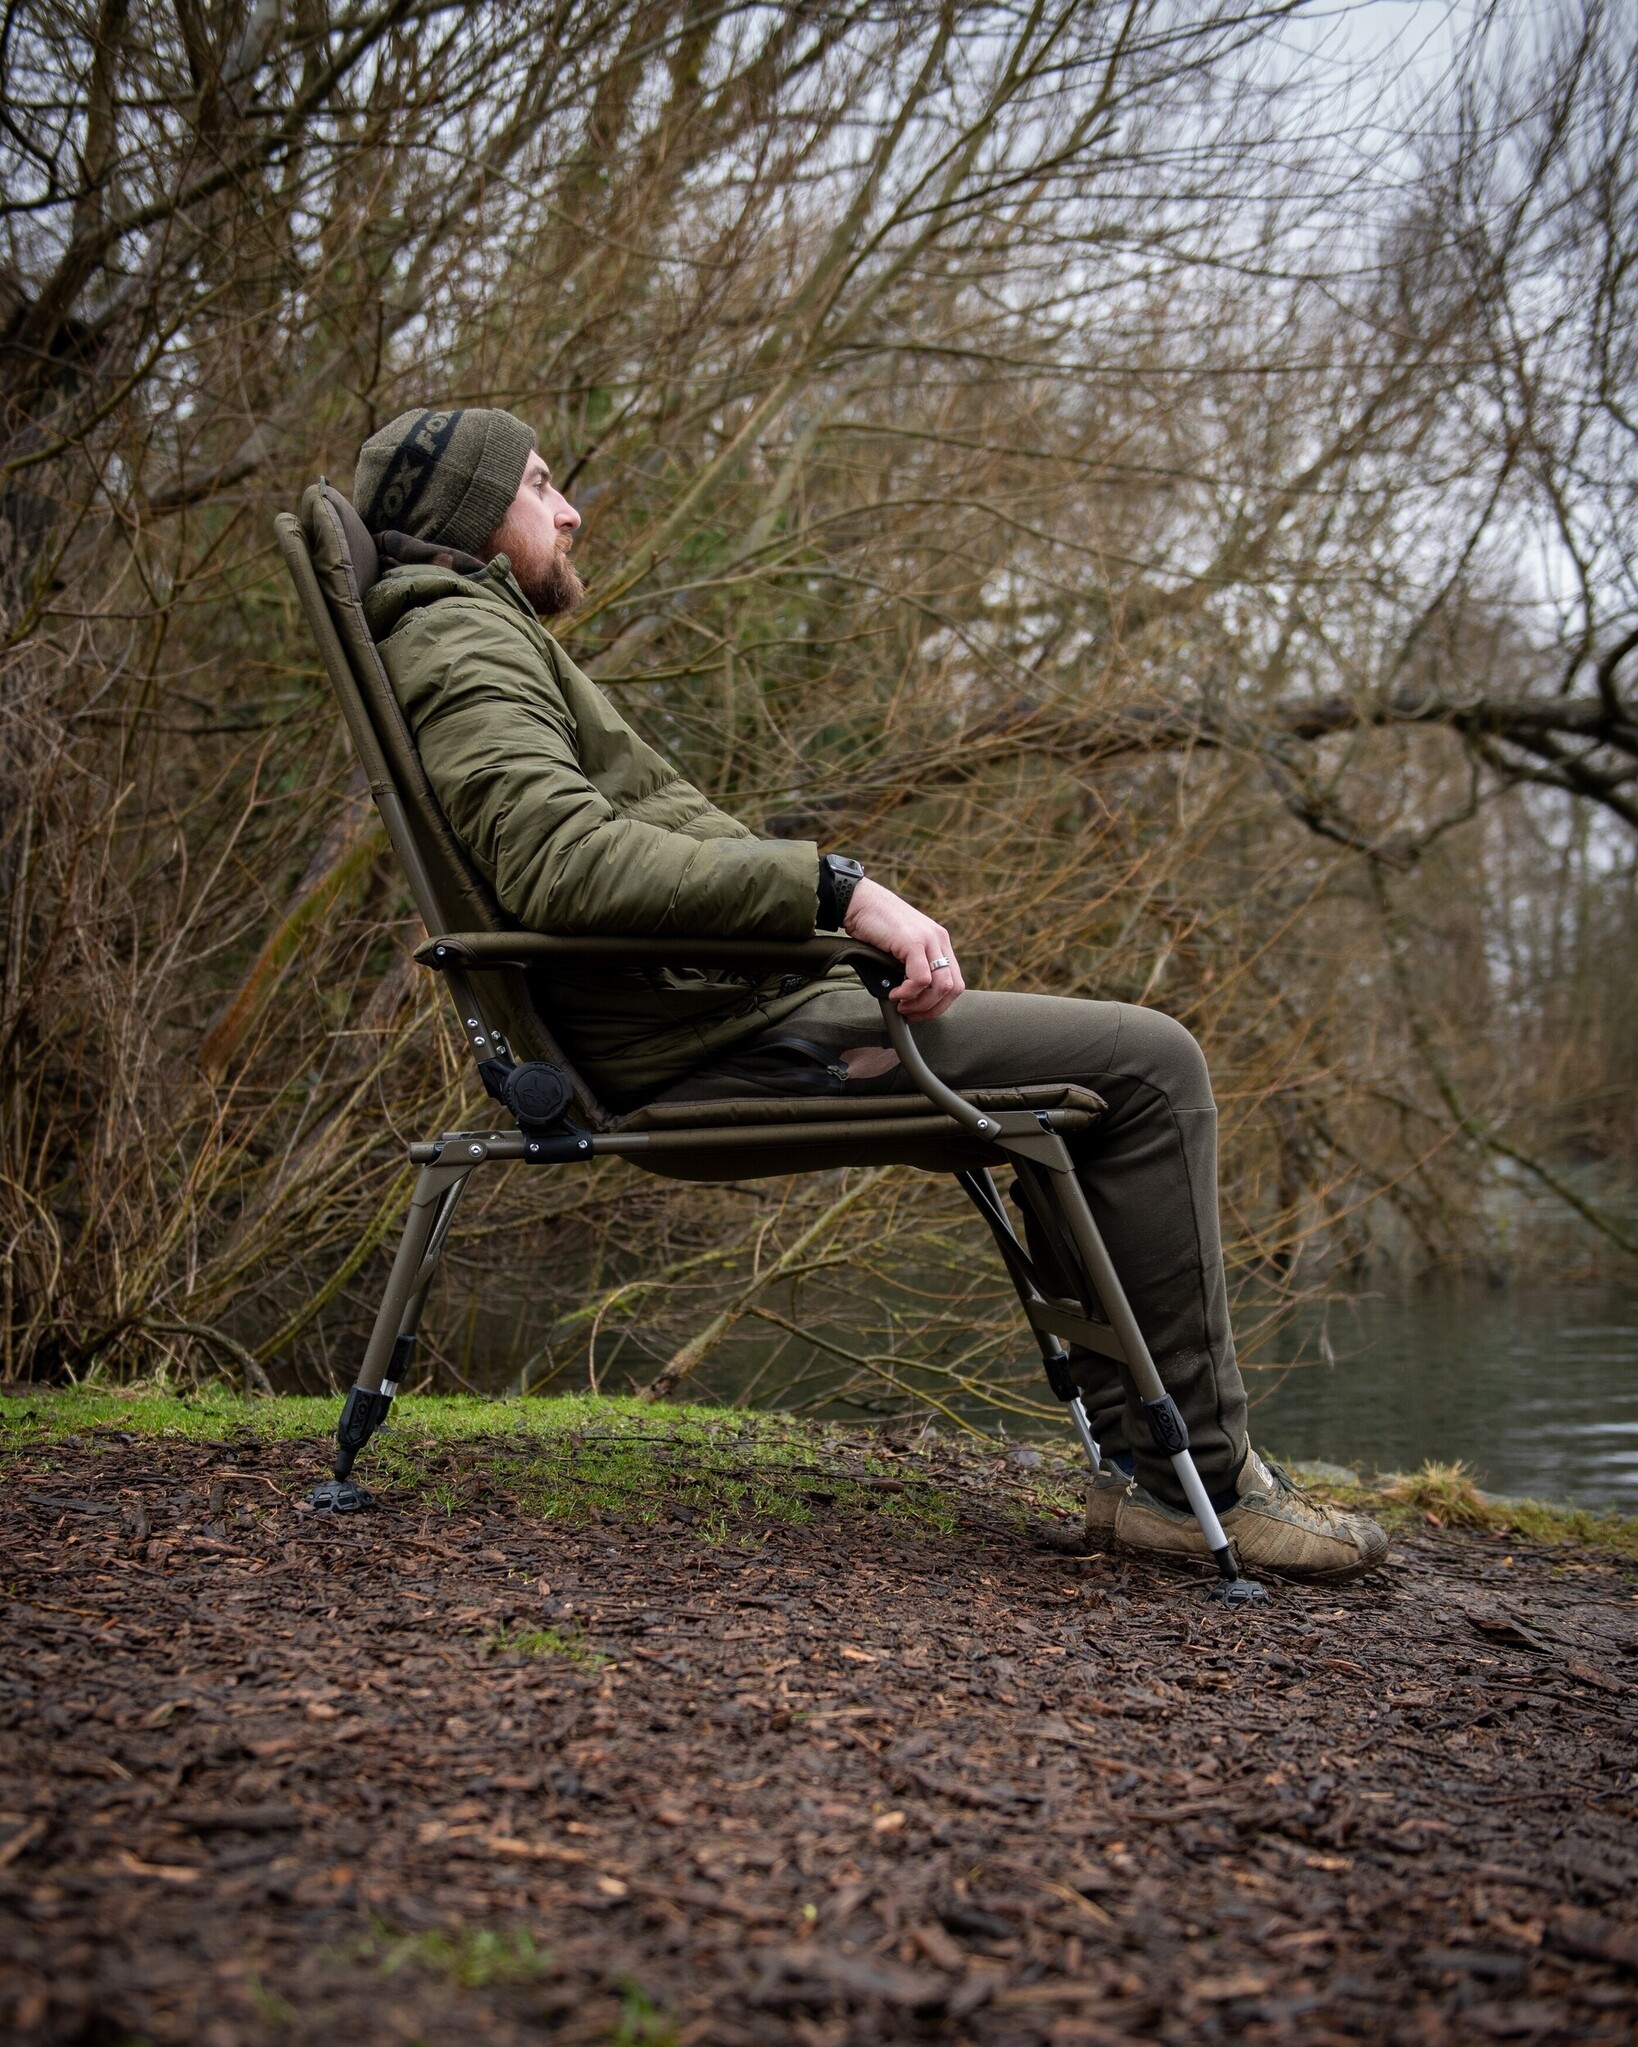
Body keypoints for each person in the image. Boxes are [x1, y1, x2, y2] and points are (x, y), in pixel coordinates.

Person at [350, 404, 1389, 1585]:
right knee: (1152, 1065)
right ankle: (1198, 1483)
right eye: (541, 485)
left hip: (717, 1012)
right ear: (471, 513)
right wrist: (835, 892)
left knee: (1101, 1078)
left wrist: (816, 916)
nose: (572, 510)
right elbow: (564, 866)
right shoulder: (463, 640)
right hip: (711, 1042)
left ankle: (1157, 1473)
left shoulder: (470, 632)